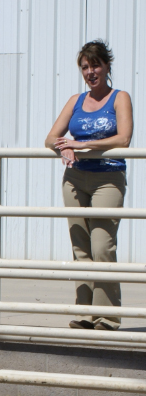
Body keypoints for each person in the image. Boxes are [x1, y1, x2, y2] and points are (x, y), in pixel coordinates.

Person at [45, 40, 133, 330]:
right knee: (80, 247)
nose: (90, 72)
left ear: (107, 66)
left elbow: (124, 138)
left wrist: (82, 144)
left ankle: (107, 317)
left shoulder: (119, 98)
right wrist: (64, 148)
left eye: (95, 65)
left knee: (102, 246)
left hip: (108, 177)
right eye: (85, 67)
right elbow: (50, 138)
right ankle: (85, 313)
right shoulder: (76, 100)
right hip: (75, 178)